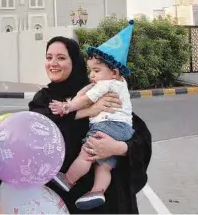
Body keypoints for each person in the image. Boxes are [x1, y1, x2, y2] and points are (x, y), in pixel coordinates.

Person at [28, 36, 151, 214]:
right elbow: (39, 129)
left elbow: (140, 135)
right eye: (49, 57)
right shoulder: (44, 99)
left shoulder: (100, 88)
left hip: (107, 202)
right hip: (62, 200)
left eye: (61, 58)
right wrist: (88, 111)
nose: (53, 63)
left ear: (75, 61)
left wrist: (117, 148)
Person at [49, 22, 135, 210]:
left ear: (114, 72)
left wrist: (67, 107)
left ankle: (68, 180)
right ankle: (97, 191)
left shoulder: (105, 85)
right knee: (103, 165)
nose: (92, 76)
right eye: (49, 57)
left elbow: (86, 99)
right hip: (123, 129)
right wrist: (91, 108)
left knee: (86, 154)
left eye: (62, 57)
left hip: (106, 126)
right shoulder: (119, 84)